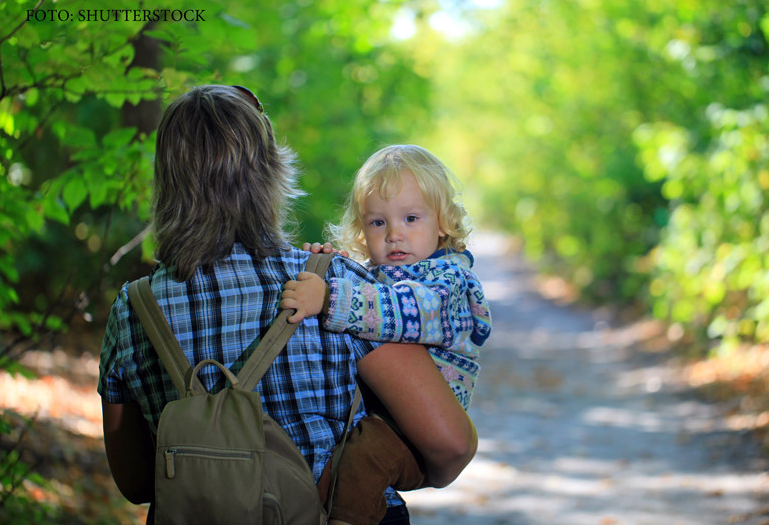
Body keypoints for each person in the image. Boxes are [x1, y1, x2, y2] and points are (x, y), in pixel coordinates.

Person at [97, 85, 478, 525]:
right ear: (270, 173)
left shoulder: (133, 310)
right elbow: (450, 442)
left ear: (166, 183)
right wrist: (420, 471)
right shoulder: (330, 287)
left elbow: (138, 483)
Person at [281, 144, 491, 525]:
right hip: (376, 420)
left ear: (442, 222)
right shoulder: (372, 276)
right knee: (336, 470)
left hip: (412, 434)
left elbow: (402, 311)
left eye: (411, 218)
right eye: (378, 223)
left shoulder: (448, 284)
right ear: (362, 231)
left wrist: (329, 298)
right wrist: (321, 265)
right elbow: (366, 293)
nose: (395, 234)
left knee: (364, 461)